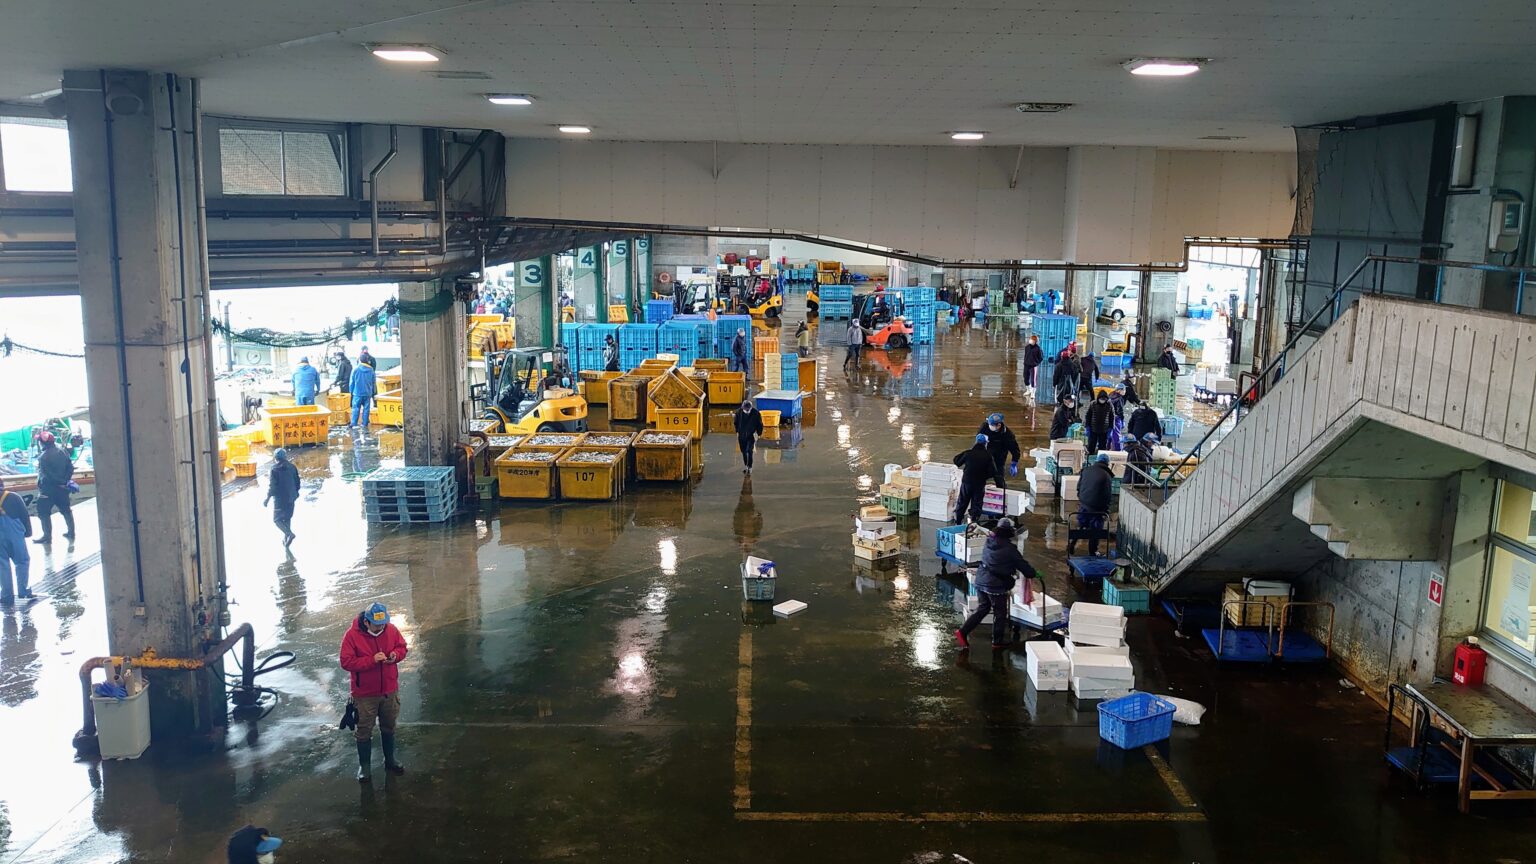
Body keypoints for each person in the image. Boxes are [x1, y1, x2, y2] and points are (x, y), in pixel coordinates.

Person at [339, 602, 409, 782]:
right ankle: (365, 767)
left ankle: (390, 760)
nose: (381, 627)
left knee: (389, 726)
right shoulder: (352, 636)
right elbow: (346, 662)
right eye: (377, 625)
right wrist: (371, 660)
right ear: (367, 622)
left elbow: (402, 648)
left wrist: (395, 655)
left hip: (389, 690)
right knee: (363, 731)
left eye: (383, 624)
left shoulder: (391, 630)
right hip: (364, 695)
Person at [954, 518, 1036, 651]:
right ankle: (997, 641)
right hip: (995, 585)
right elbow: (1024, 567)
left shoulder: (989, 541)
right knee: (1000, 612)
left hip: (981, 580)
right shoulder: (1010, 549)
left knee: (983, 608)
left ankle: (962, 632)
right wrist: (1033, 573)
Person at [33, 432, 74, 545]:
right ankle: (71, 532)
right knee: (66, 510)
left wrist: (57, 482)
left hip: (48, 490)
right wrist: (64, 481)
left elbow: (47, 475)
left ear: (42, 442)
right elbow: (70, 468)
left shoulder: (43, 457)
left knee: (43, 513)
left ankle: (47, 536)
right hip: (63, 489)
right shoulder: (63, 451)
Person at [1072, 454, 1115, 555]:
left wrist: (1082, 500)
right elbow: (1107, 495)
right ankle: (1092, 551)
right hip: (1097, 508)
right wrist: (1106, 509)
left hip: (1084, 504)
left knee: (1081, 525)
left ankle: (1072, 543)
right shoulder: (1106, 476)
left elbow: (1079, 487)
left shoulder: (1086, 470)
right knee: (1095, 531)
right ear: (1107, 463)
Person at [0, 476, 33, 605]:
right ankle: (23, 591)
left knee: (2, 564)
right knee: (22, 561)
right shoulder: (13, 497)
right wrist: (28, 532)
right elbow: (24, 514)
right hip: (14, 534)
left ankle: (6, 595)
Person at [952, 434, 995, 525]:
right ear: (985, 444)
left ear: (976, 442)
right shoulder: (988, 456)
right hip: (979, 483)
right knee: (977, 503)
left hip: (967, 482)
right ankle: (974, 523)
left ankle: (958, 522)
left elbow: (956, 460)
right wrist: (984, 476)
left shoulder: (968, 453)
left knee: (962, 502)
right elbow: (993, 471)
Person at [264, 448, 300, 548]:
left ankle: (289, 534)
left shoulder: (274, 469)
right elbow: (297, 482)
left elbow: (273, 486)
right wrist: (295, 494)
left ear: (275, 458)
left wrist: (267, 498)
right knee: (287, 517)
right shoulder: (292, 467)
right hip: (291, 497)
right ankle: (286, 539)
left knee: (277, 520)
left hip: (280, 499)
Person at [975, 413, 1021, 489]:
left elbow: (1015, 450)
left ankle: (1002, 497)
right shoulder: (985, 427)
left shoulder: (1007, 435)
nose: (990, 426)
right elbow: (978, 440)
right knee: (978, 478)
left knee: (1000, 481)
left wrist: (1014, 463)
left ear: (999, 425)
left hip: (998, 460)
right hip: (985, 458)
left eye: (992, 425)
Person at [733, 399, 765, 474]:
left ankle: (749, 466)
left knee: (749, 451)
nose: (747, 411)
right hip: (742, 435)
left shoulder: (756, 413)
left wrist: (759, 433)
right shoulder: (738, 413)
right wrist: (737, 431)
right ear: (742, 408)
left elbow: (759, 424)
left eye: (748, 410)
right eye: (745, 410)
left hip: (751, 435)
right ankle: (746, 465)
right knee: (743, 451)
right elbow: (735, 423)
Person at [349, 359, 377, 428]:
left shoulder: (356, 369)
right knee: (366, 409)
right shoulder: (371, 370)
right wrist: (373, 392)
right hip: (367, 393)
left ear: (360, 361)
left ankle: (353, 423)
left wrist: (351, 391)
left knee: (356, 408)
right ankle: (364, 424)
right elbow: (373, 382)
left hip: (357, 393)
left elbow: (352, 382)